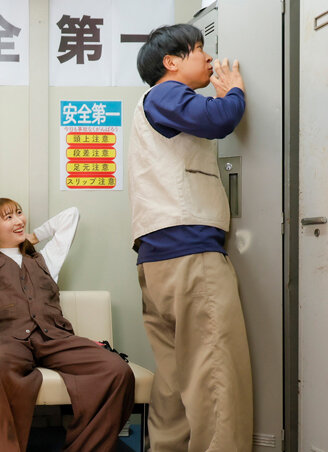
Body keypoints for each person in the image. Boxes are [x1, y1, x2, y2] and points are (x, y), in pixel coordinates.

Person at [128, 24, 252, 451]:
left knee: (175, 380)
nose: (210, 58)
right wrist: (234, 93)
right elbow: (217, 119)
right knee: (215, 371)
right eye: (200, 49)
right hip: (190, 255)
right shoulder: (165, 93)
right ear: (171, 62)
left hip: (159, 259)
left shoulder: (151, 104)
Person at [0, 195, 134, 452]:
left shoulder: (45, 259)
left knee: (117, 370)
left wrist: (35, 236)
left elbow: (71, 215)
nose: (18, 221)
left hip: (54, 338)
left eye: (19, 213)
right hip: (6, 342)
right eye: (8, 218)